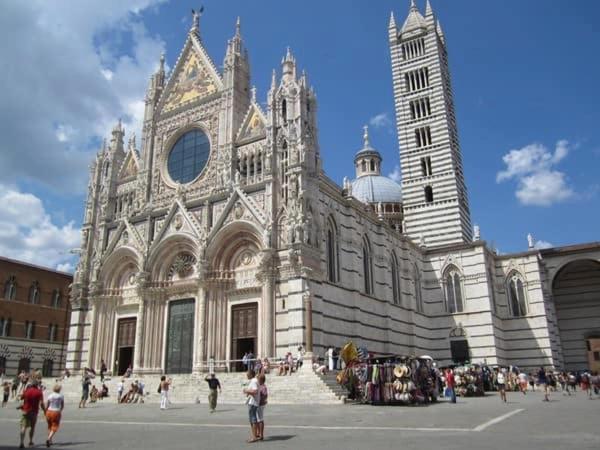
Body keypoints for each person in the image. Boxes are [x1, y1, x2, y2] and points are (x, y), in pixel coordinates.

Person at [19, 379, 45, 449]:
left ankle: (21, 442)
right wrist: (44, 410)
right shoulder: (39, 392)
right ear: (37, 385)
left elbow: (21, 398)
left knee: (23, 427)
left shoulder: (27, 391)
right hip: (34, 412)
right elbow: (42, 403)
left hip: (25, 411)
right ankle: (30, 441)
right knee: (32, 427)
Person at [243, 369, 261, 443]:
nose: (246, 375)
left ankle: (254, 437)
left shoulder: (253, 381)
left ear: (250, 374)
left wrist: (246, 391)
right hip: (254, 402)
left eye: (247, 374)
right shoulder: (255, 380)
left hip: (253, 402)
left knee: (252, 419)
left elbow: (255, 391)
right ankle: (256, 434)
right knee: (254, 419)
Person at [257, 374, 268, 441]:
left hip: (261, 404)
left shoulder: (263, 387)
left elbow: (265, 396)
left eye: (258, 379)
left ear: (261, 380)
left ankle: (261, 434)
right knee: (257, 419)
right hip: (257, 403)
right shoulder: (259, 386)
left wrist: (261, 399)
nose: (257, 380)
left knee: (260, 419)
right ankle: (258, 432)